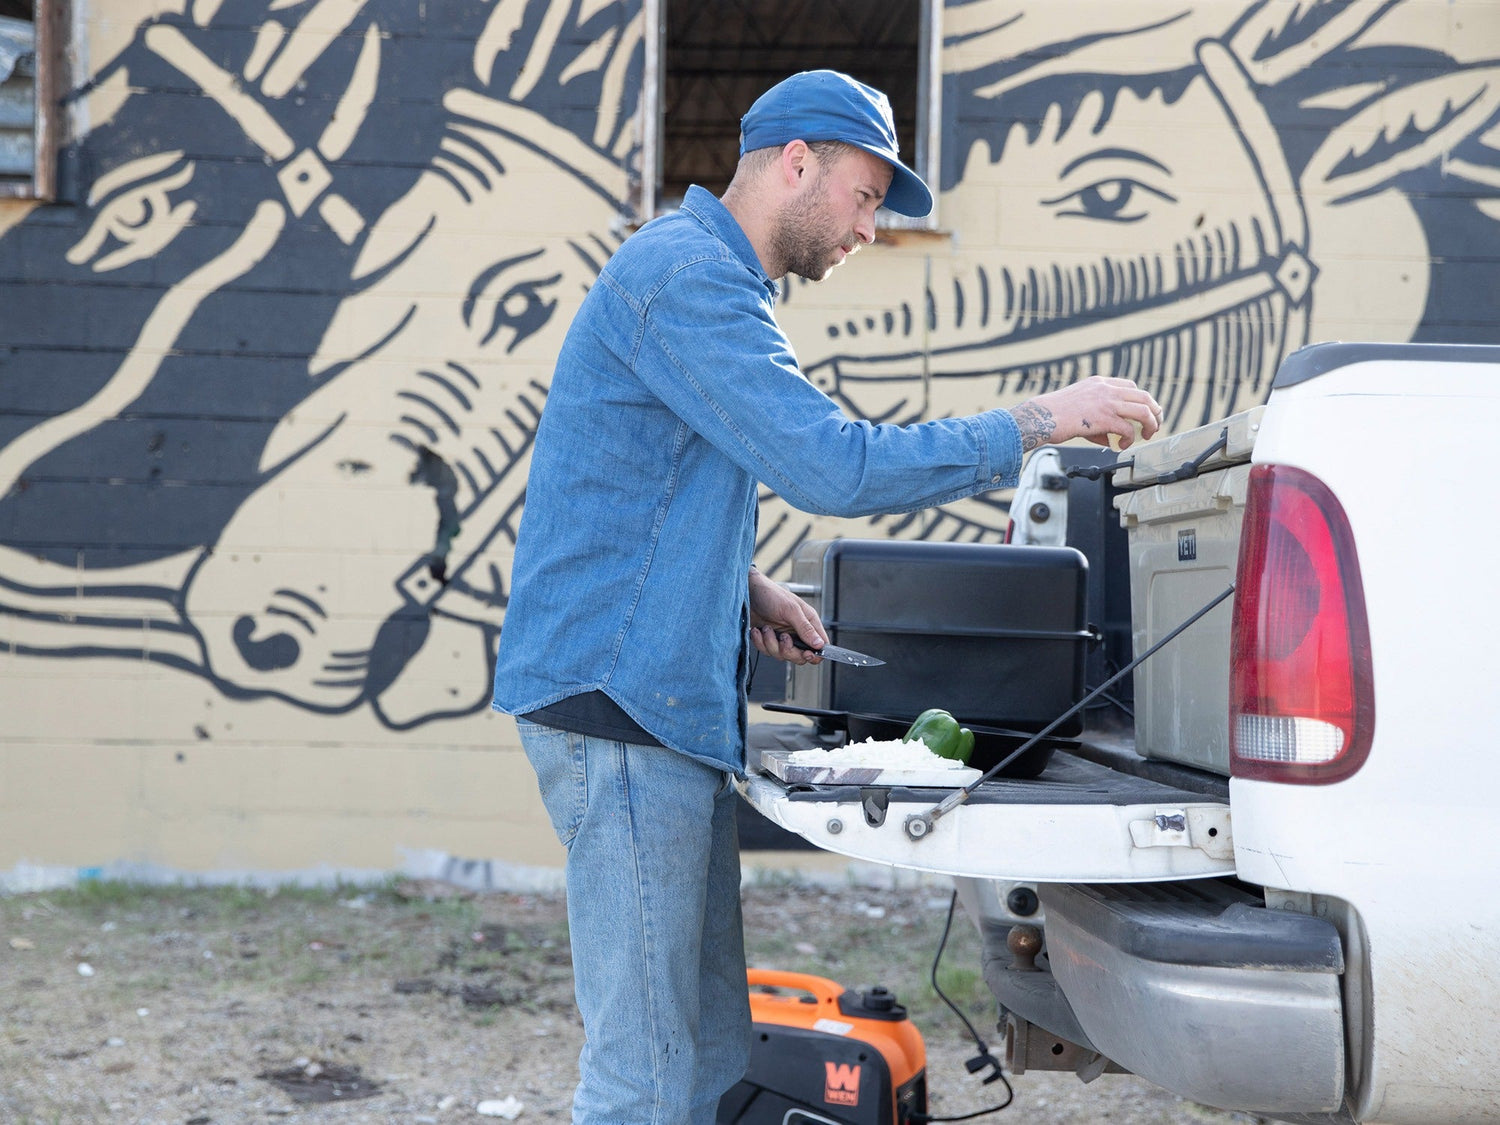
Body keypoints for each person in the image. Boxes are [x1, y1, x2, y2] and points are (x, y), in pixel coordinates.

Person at [491, 69, 1162, 1125]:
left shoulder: (702, 282)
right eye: (862, 195)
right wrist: (1040, 419)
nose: (870, 227)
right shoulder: (688, 279)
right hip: (618, 707)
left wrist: (737, 578)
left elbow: (630, 471)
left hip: (655, 709)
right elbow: (832, 469)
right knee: (647, 1075)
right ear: (796, 164)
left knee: (708, 1051)